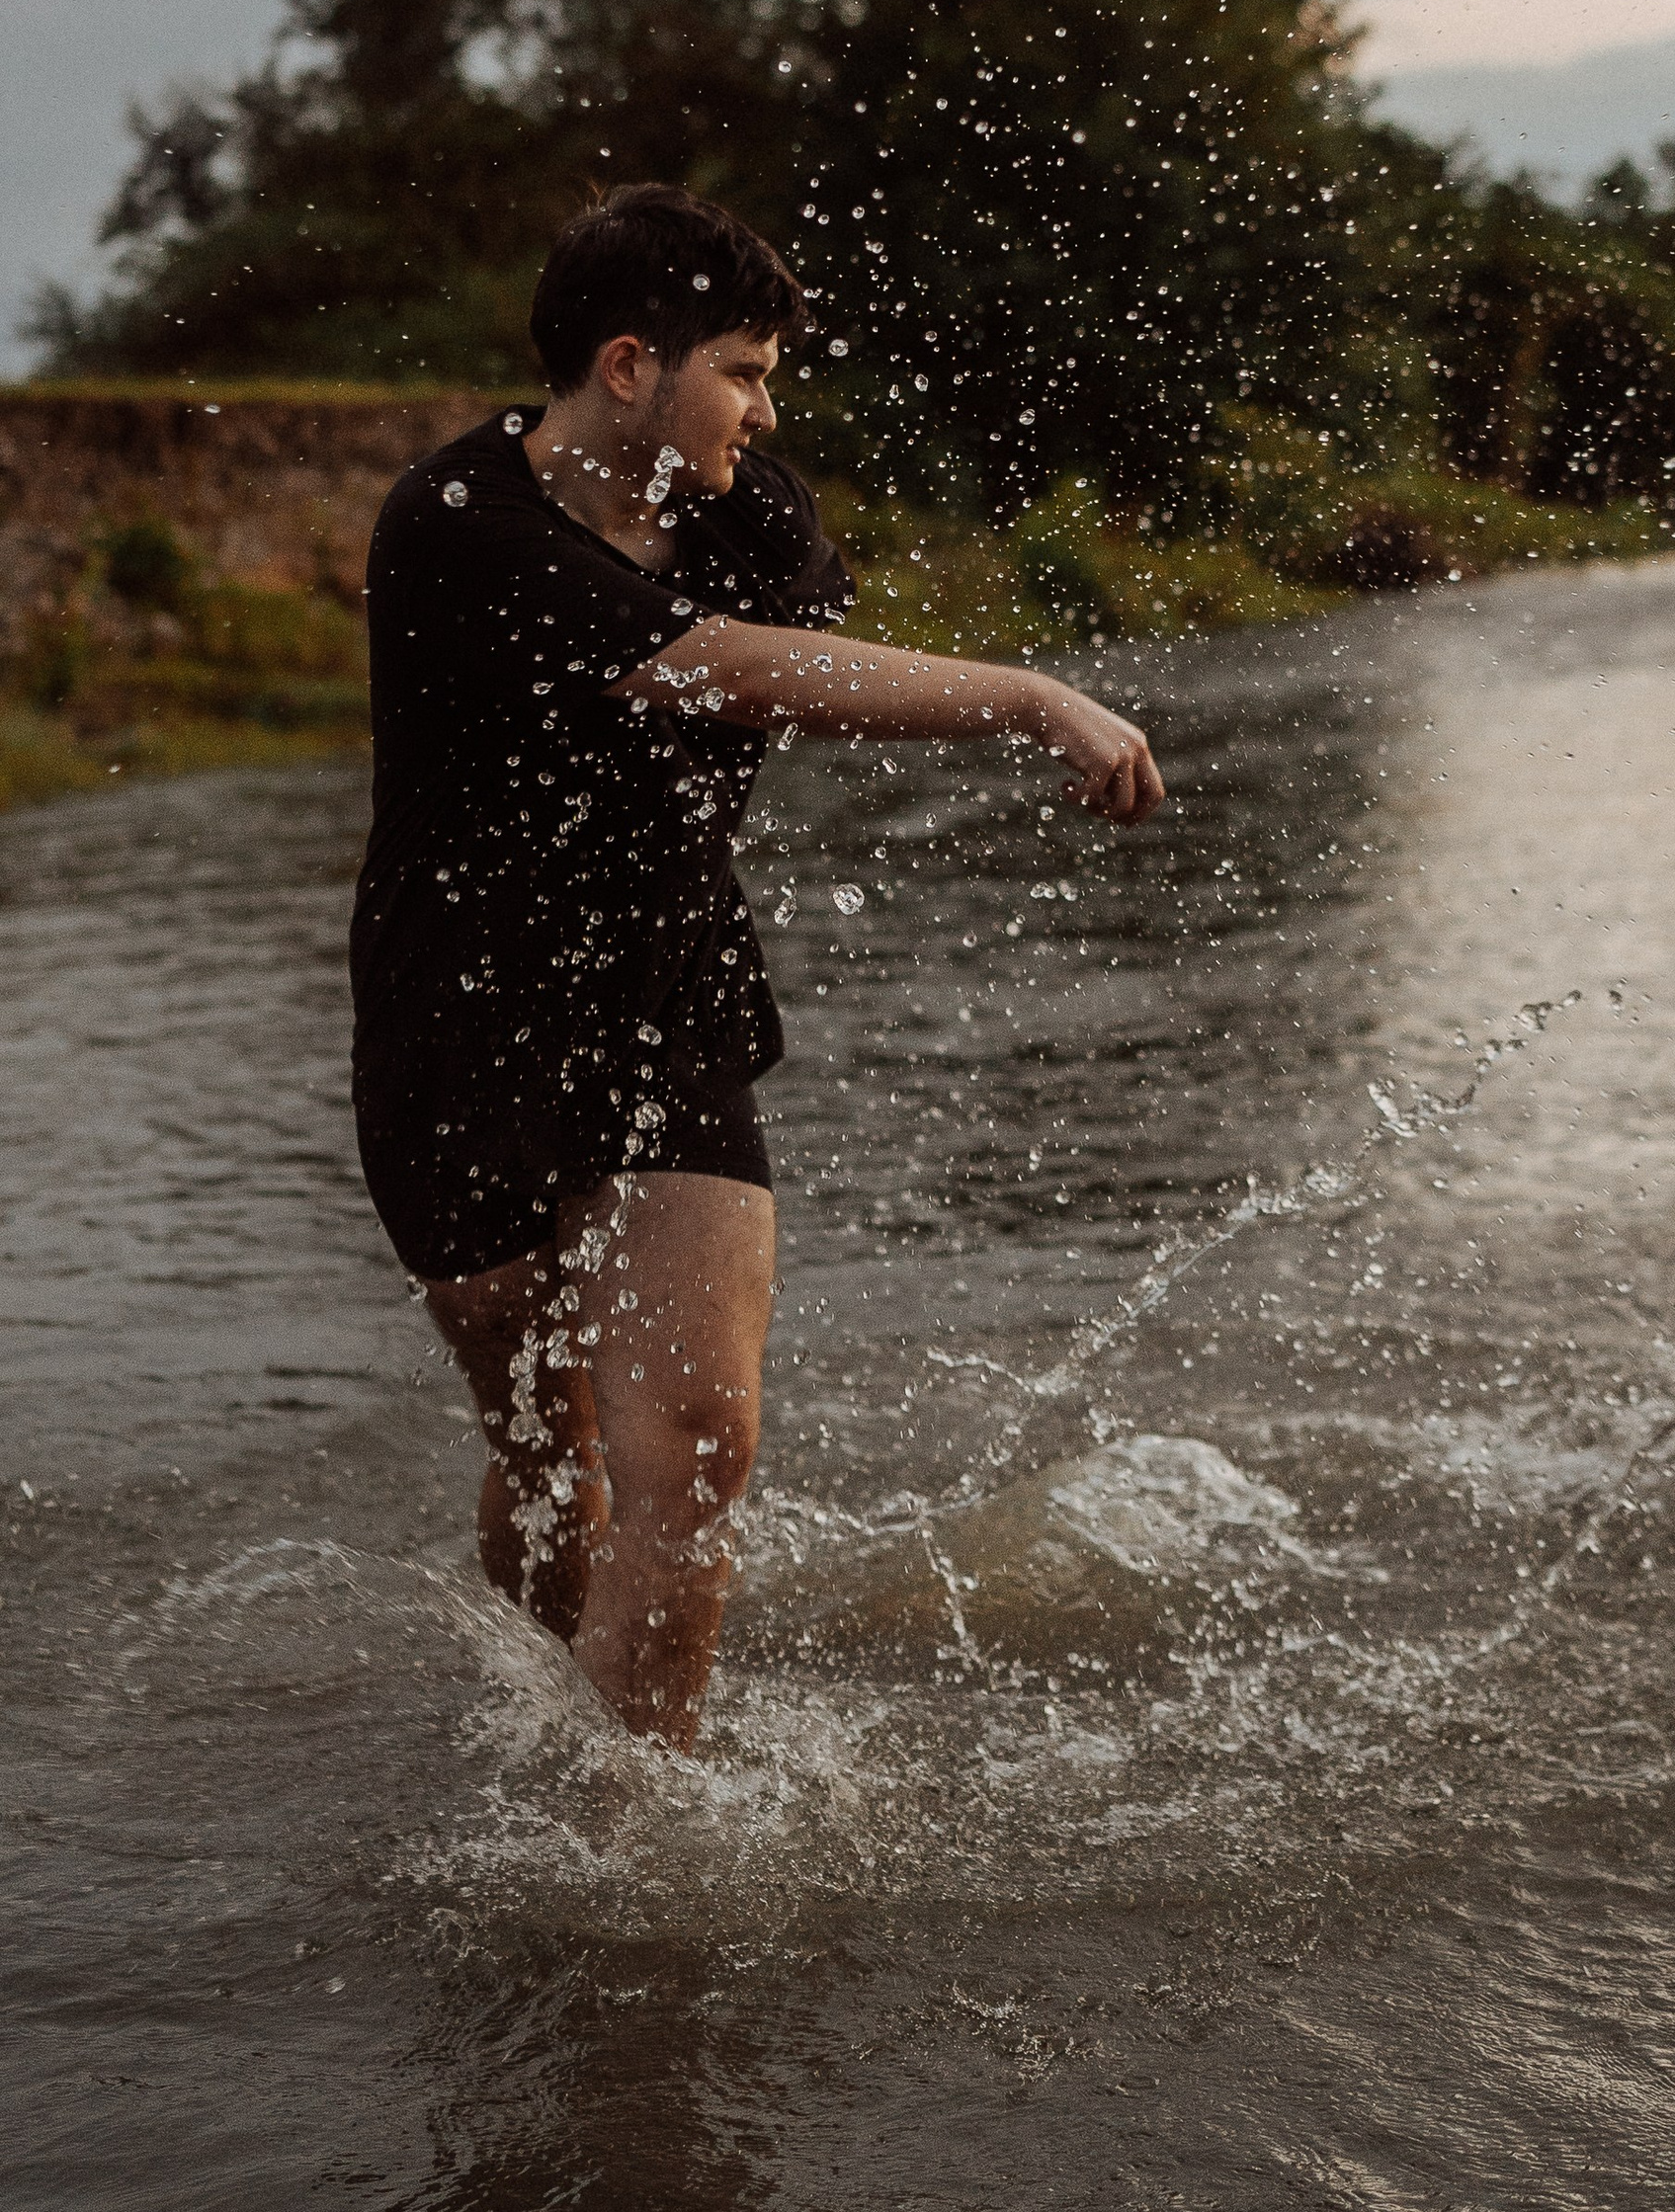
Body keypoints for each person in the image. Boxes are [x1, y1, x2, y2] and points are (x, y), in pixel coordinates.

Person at [350, 181, 1164, 1747]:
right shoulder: (452, 525)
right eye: (744, 368)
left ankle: (628, 1823)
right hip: (456, 1021)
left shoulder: (756, 514)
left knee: (701, 1446)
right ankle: (542, 1717)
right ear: (628, 364)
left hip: (666, 990)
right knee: (544, 1443)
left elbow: (799, 676)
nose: (765, 407)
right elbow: (706, 671)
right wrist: (1029, 694)